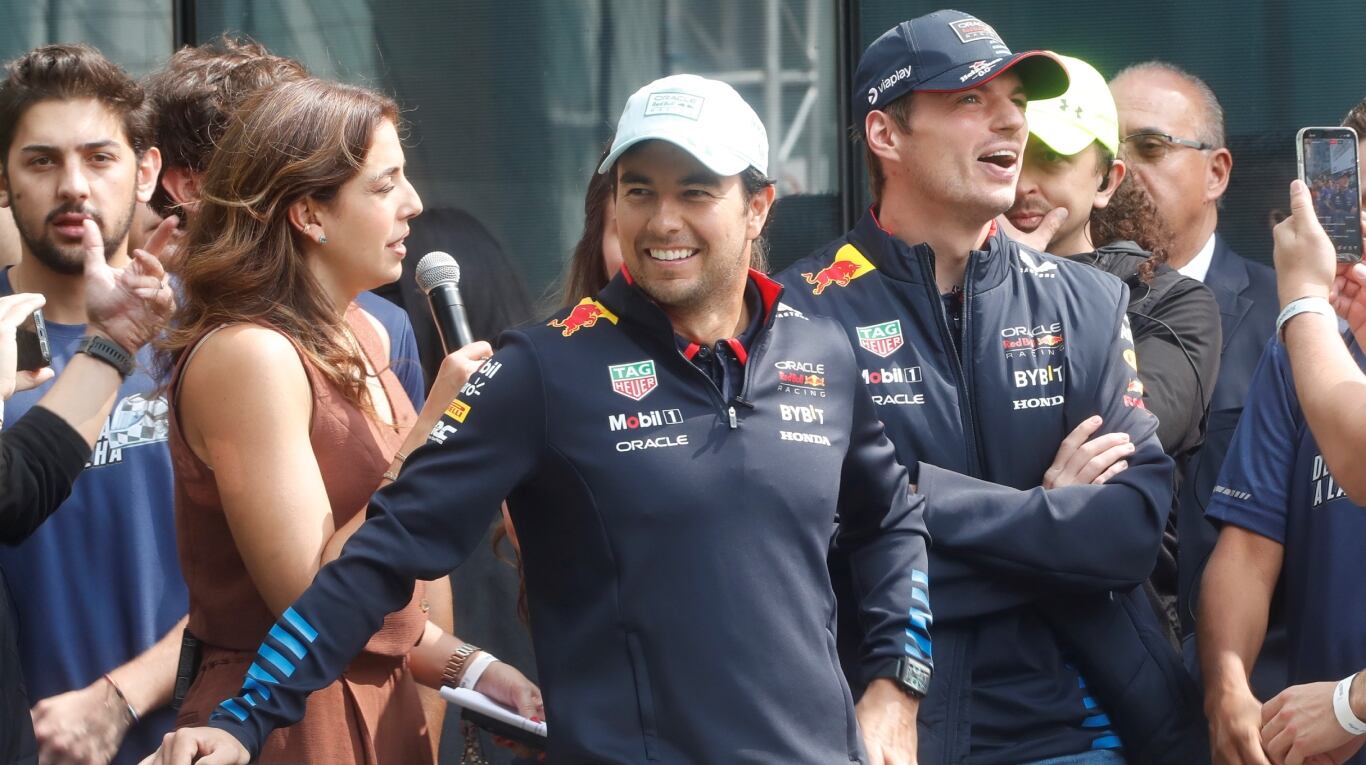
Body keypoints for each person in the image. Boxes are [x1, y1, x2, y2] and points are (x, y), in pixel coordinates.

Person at [144, 72, 932, 765]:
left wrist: (897, 686)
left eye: (696, 190)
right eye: (638, 189)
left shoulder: (821, 346)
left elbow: (892, 518)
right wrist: (245, 719)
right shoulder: (541, 369)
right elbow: (372, 560)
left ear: (758, 205)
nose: (662, 221)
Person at [778, 12, 1204, 763]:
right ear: (886, 135)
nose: (1010, 117)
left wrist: (916, 504)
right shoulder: (798, 314)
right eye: (970, 99)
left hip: (1084, 726)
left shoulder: (1085, 301)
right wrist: (1046, 519)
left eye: (1014, 98)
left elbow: (1128, 533)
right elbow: (814, 552)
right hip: (885, 726)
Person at [148, 76, 540, 763]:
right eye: (385, 186)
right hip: (283, 723)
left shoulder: (365, 334)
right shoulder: (252, 356)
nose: (415, 204)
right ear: (309, 214)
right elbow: (319, 603)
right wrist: (427, 437)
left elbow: (390, 600)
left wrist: (474, 669)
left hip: (375, 711)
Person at [0, 42, 188, 764]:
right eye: (42, 160)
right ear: (5, 177)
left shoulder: (210, 334)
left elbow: (274, 570)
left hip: (198, 734)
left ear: (145, 173)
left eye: (99, 158)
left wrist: (124, 695)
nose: (73, 185)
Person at [1000, 54, 1222, 641]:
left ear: (1107, 180)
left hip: (1119, 636)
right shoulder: (951, 285)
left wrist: (1031, 279)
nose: (1024, 181)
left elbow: (1122, 441)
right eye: (1012, 154)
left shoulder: (1173, 302)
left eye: (1051, 158)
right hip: (981, 632)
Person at [143, 35, 428, 409]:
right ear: (192, 187)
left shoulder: (378, 325)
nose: (413, 204)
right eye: (260, 160)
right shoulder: (148, 322)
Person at [1196, 176, 1366, 765]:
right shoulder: (1309, 344)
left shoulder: (1311, 332)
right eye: (1350, 200)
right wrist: (1226, 686)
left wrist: (1351, 703)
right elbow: (1246, 550)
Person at [1110, 61, 1280, 645]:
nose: (1121, 167)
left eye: (1150, 146)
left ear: (1216, 172)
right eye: (1105, 148)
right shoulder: (1046, 315)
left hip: (1258, 690)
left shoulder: (1295, 318)